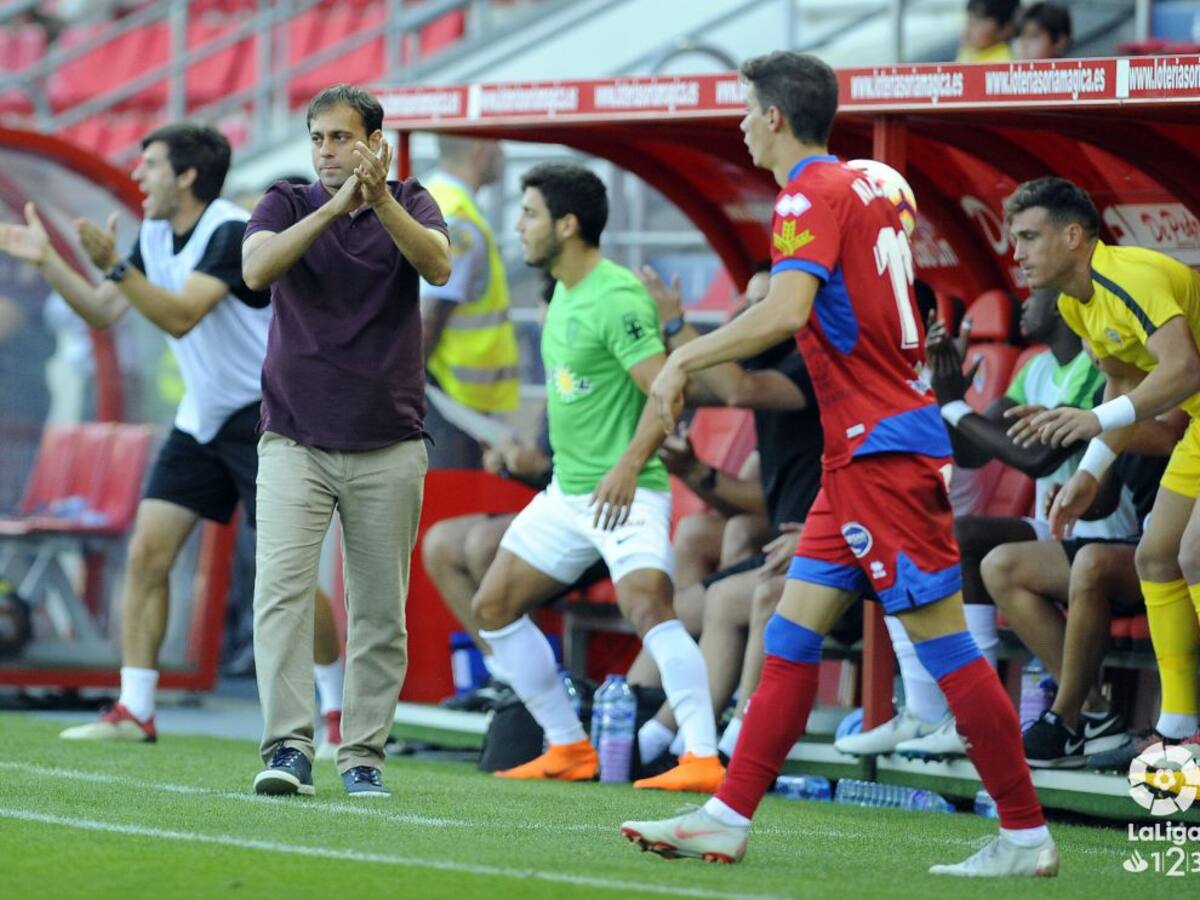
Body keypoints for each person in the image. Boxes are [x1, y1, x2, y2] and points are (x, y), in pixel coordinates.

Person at [622, 51, 1055, 876]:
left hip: (880, 448)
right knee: (789, 635)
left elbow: (785, 310)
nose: (740, 124)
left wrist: (683, 358)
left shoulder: (806, 195)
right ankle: (727, 814)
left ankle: (1027, 833)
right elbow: (876, 229)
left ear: (776, 118)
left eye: (747, 109)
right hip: (858, 452)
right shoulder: (871, 183)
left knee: (945, 646)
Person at [0, 123, 345, 750]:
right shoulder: (156, 232)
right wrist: (48, 259)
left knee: (287, 575)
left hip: (265, 418)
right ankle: (135, 708)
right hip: (203, 418)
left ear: (186, 176)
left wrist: (114, 266)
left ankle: (337, 710)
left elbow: (182, 317)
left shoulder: (230, 230)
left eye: (150, 164)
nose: (138, 175)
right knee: (148, 554)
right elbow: (105, 310)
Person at [467, 162, 723, 793]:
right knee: (494, 608)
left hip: (626, 493)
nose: (519, 226)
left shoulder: (615, 298)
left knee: (646, 606)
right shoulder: (561, 293)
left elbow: (666, 395)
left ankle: (701, 756)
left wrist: (628, 468)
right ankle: (569, 746)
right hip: (569, 495)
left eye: (528, 214)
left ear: (568, 224)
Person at [242, 83, 450, 798]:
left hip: (389, 442)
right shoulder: (286, 201)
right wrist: (334, 205)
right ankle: (290, 748)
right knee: (282, 594)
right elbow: (257, 269)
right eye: (318, 138)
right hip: (294, 438)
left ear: (375, 143)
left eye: (341, 138)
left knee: (378, 612)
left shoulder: (414, 202)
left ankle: (362, 754)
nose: (327, 151)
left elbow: (439, 266)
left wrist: (379, 197)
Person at [1005, 176, 1200, 753]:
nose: (1016, 253)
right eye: (1014, 239)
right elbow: (1122, 380)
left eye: (1028, 237)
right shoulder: (1075, 301)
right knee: (1156, 554)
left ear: (1073, 237)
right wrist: (1090, 472)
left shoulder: (1127, 274)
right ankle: (1179, 727)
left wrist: (1096, 420)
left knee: (1189, 552)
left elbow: (1184, 368)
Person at [632, 262, 822, 766]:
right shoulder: (769, 371)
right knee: (679, 608)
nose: (745, 315)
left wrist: (676, 325)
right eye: (745, 303)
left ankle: (691, 743)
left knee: (729, 601)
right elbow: (693, 386)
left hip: (829, 553)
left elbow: (735, 387)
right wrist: (696, 472)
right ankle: (632, 712)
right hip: (788, 545)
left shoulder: (809, 368)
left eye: (762, 304)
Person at [987, 420, 1180, 767]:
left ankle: (1064, 717)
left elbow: (1168, 435)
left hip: (1175, 548)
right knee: (1000, 566)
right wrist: (1072, 495)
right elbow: (1104, 498)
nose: (1097, 362)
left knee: (1092, 563)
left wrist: (1091, 421)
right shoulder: (1111, 390)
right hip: (1141, 543)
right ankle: (1093, 712)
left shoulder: (1173, 374)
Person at [422, 137, 520, 469]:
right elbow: (429, 313)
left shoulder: (435, 199)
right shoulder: (457, 218)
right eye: (499, 144)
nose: (504, 153)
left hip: (446, 392)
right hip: (449, 396)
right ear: (482, 151)